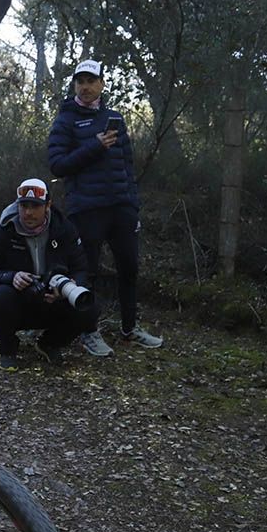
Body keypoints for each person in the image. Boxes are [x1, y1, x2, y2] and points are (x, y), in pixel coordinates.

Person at [48, 59, 163, 354]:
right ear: (75, 85)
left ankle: (129, 328)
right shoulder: (65, 121)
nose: (85, 87)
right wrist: (94, 146)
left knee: (129, 269)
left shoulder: (115, 119)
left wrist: (133, 205)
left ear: (101, 84)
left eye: (91, 81)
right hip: (86, 210)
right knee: (88, 273)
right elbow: (57, 165)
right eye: (80, 82)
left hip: (121, 208)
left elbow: (127, 166)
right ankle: (89, 331)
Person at [0, 178, 98, 369]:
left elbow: (82, 269)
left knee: (89, 306)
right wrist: (11, 277)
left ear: (48, 205)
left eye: (35, 206)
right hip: (19, 300)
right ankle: (7, 349)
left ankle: (50, 343)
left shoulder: (64, 228)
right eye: (23, 206)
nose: (28, 212)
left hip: (54, 300)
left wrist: (70, 285)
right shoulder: (3, 228)